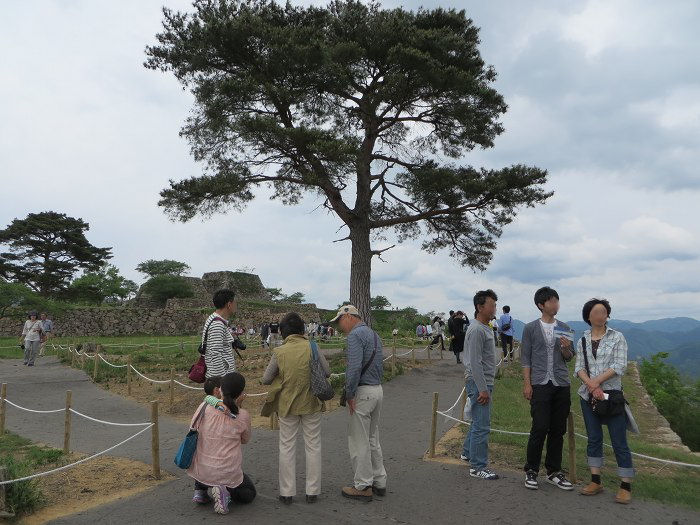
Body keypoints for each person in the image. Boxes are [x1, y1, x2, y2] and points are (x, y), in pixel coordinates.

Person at [261, 312, 330, 504]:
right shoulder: (313, 347)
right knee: (313, 446)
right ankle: (312, 491)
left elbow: (266, 379)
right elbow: (327, 372)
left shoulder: (279, 352)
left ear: (283, 332)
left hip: (286, 406)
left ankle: (287, 492)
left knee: (287, 447)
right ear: (302, 329)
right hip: (312, 403)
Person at [575, 298, 634, 504]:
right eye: (596, 312)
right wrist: (592, 386)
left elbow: (620, 365)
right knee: (593, 438)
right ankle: (595, 480)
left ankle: (625, 485)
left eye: (603, 312)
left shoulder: (617, 337)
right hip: (588, 396)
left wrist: (596, 383)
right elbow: (578, 368)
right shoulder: (582, 339)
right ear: (588, 316)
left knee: (619, 441)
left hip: (611, 396)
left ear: (607, 315)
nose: (600, 315)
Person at [331, 305, 386, 502]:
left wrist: (350, 394)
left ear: (348, 316)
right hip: (377, 389)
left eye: (339, 321)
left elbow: (353, 368)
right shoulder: (374, 334)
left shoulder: (355, 336)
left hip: (362, 392)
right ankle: (379, 480)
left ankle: (363, 485)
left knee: (358, 440)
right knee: (372, 438)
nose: (339, 326)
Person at [520, 287, 574, 491]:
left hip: (561, 383)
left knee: (558, 429)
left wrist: (566, 347)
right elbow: (525, 358)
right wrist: (527, 383)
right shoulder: (530, 328)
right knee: (540, 426)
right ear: (541, 305)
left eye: (557, 301)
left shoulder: (565, 327)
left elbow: (569, 358)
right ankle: (531, 470)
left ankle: (554, 471)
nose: (556, 305)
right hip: (540, 383)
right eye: (551, 301)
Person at [188, 372, 256, 514]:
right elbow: (245, 440)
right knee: (249, 493)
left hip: (203, 470)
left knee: (206, 459)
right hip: (227, 472)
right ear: (241, 392)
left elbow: (193, 428)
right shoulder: (242, 415)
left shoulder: (204, 407)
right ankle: (224, 492)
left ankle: (200, 490)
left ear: (220, 390)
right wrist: (239, 406)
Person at [460, 290, 499, 480]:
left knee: (477, 420)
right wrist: (482, 388)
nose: (494, 308)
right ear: (480, 307)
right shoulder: (476, 329)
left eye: (495, 305)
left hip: (482, 381)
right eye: (491, 305)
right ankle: (478, 466)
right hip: (479, 382)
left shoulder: (485, 327)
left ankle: (468, 453)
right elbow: (474, 362)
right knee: (482, 425)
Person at [202, 289, 236, 379]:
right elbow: (215, 354)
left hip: (217, 375)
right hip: (219, 378)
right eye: (234, 303)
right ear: (229, 304)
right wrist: (222, 382)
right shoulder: (217, 324)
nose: (235, 306)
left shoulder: (215, 319)